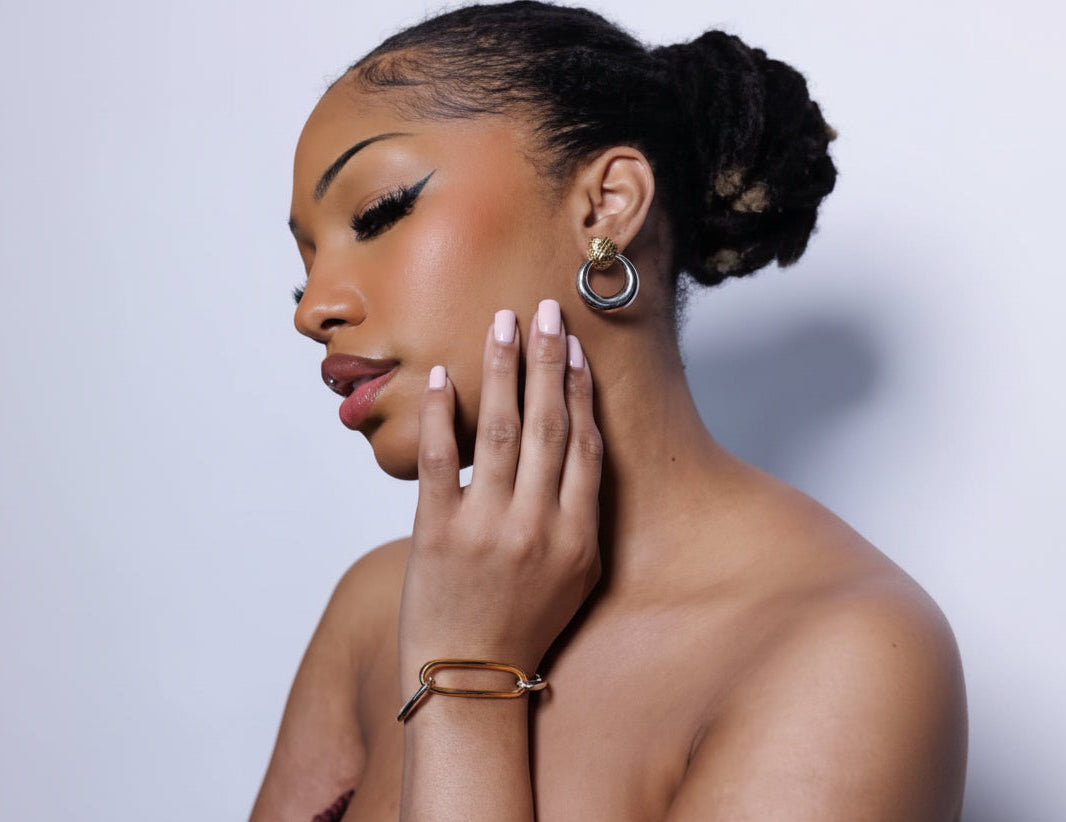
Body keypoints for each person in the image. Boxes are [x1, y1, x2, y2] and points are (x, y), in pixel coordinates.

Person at [250, 2, 968, 819]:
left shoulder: (846, 650)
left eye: (377, 214)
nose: (312, 309)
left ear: (605, 206)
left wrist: (467, 669)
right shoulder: (378, 607)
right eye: (304, 266)